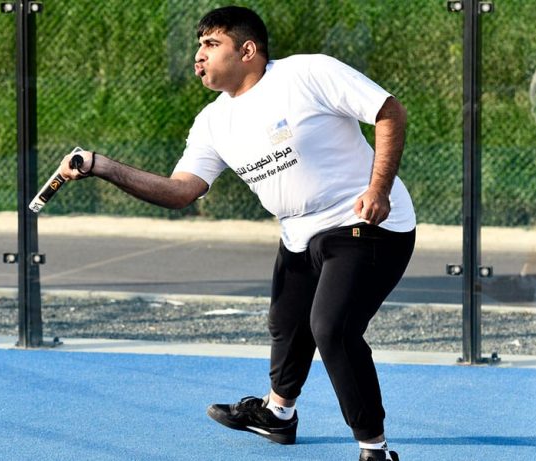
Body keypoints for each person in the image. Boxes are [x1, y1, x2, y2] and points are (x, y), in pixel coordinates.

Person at [59, 6, 415, 461]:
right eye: (198, 46)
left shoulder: (308, 73)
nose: (198, 56)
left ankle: (375, 449)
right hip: (298, 233)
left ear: (247, 51)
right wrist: (102, 166)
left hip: (368, 223)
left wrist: (378, 189)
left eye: (211, 44)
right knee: (287, 325)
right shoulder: (213, 122)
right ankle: (278, 414)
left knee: (332, 328)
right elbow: (180, 191)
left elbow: (389, 111)